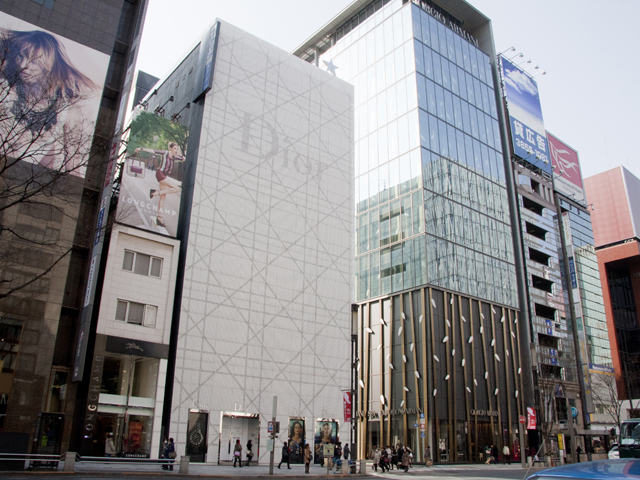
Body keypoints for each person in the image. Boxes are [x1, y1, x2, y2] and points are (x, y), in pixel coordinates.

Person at [0, 29, 99, 172]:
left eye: (33, 61)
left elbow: (74, 170)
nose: (23, 65)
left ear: (49, 65)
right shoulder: (4, 91)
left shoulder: (70, 111)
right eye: (20, 56)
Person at [134, 142, 185, 228]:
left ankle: (159, 218)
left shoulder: (174, 157)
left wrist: (179, 152)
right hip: (160, 173)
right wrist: (141, 148)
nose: (176, 150)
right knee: (176, 188)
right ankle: (155, 193)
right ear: (170, 149)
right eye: (175, 148)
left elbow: (183, 158)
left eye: (177, 149)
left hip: (164, 175)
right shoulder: (165, 153)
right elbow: (153, 151)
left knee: (163, 197)